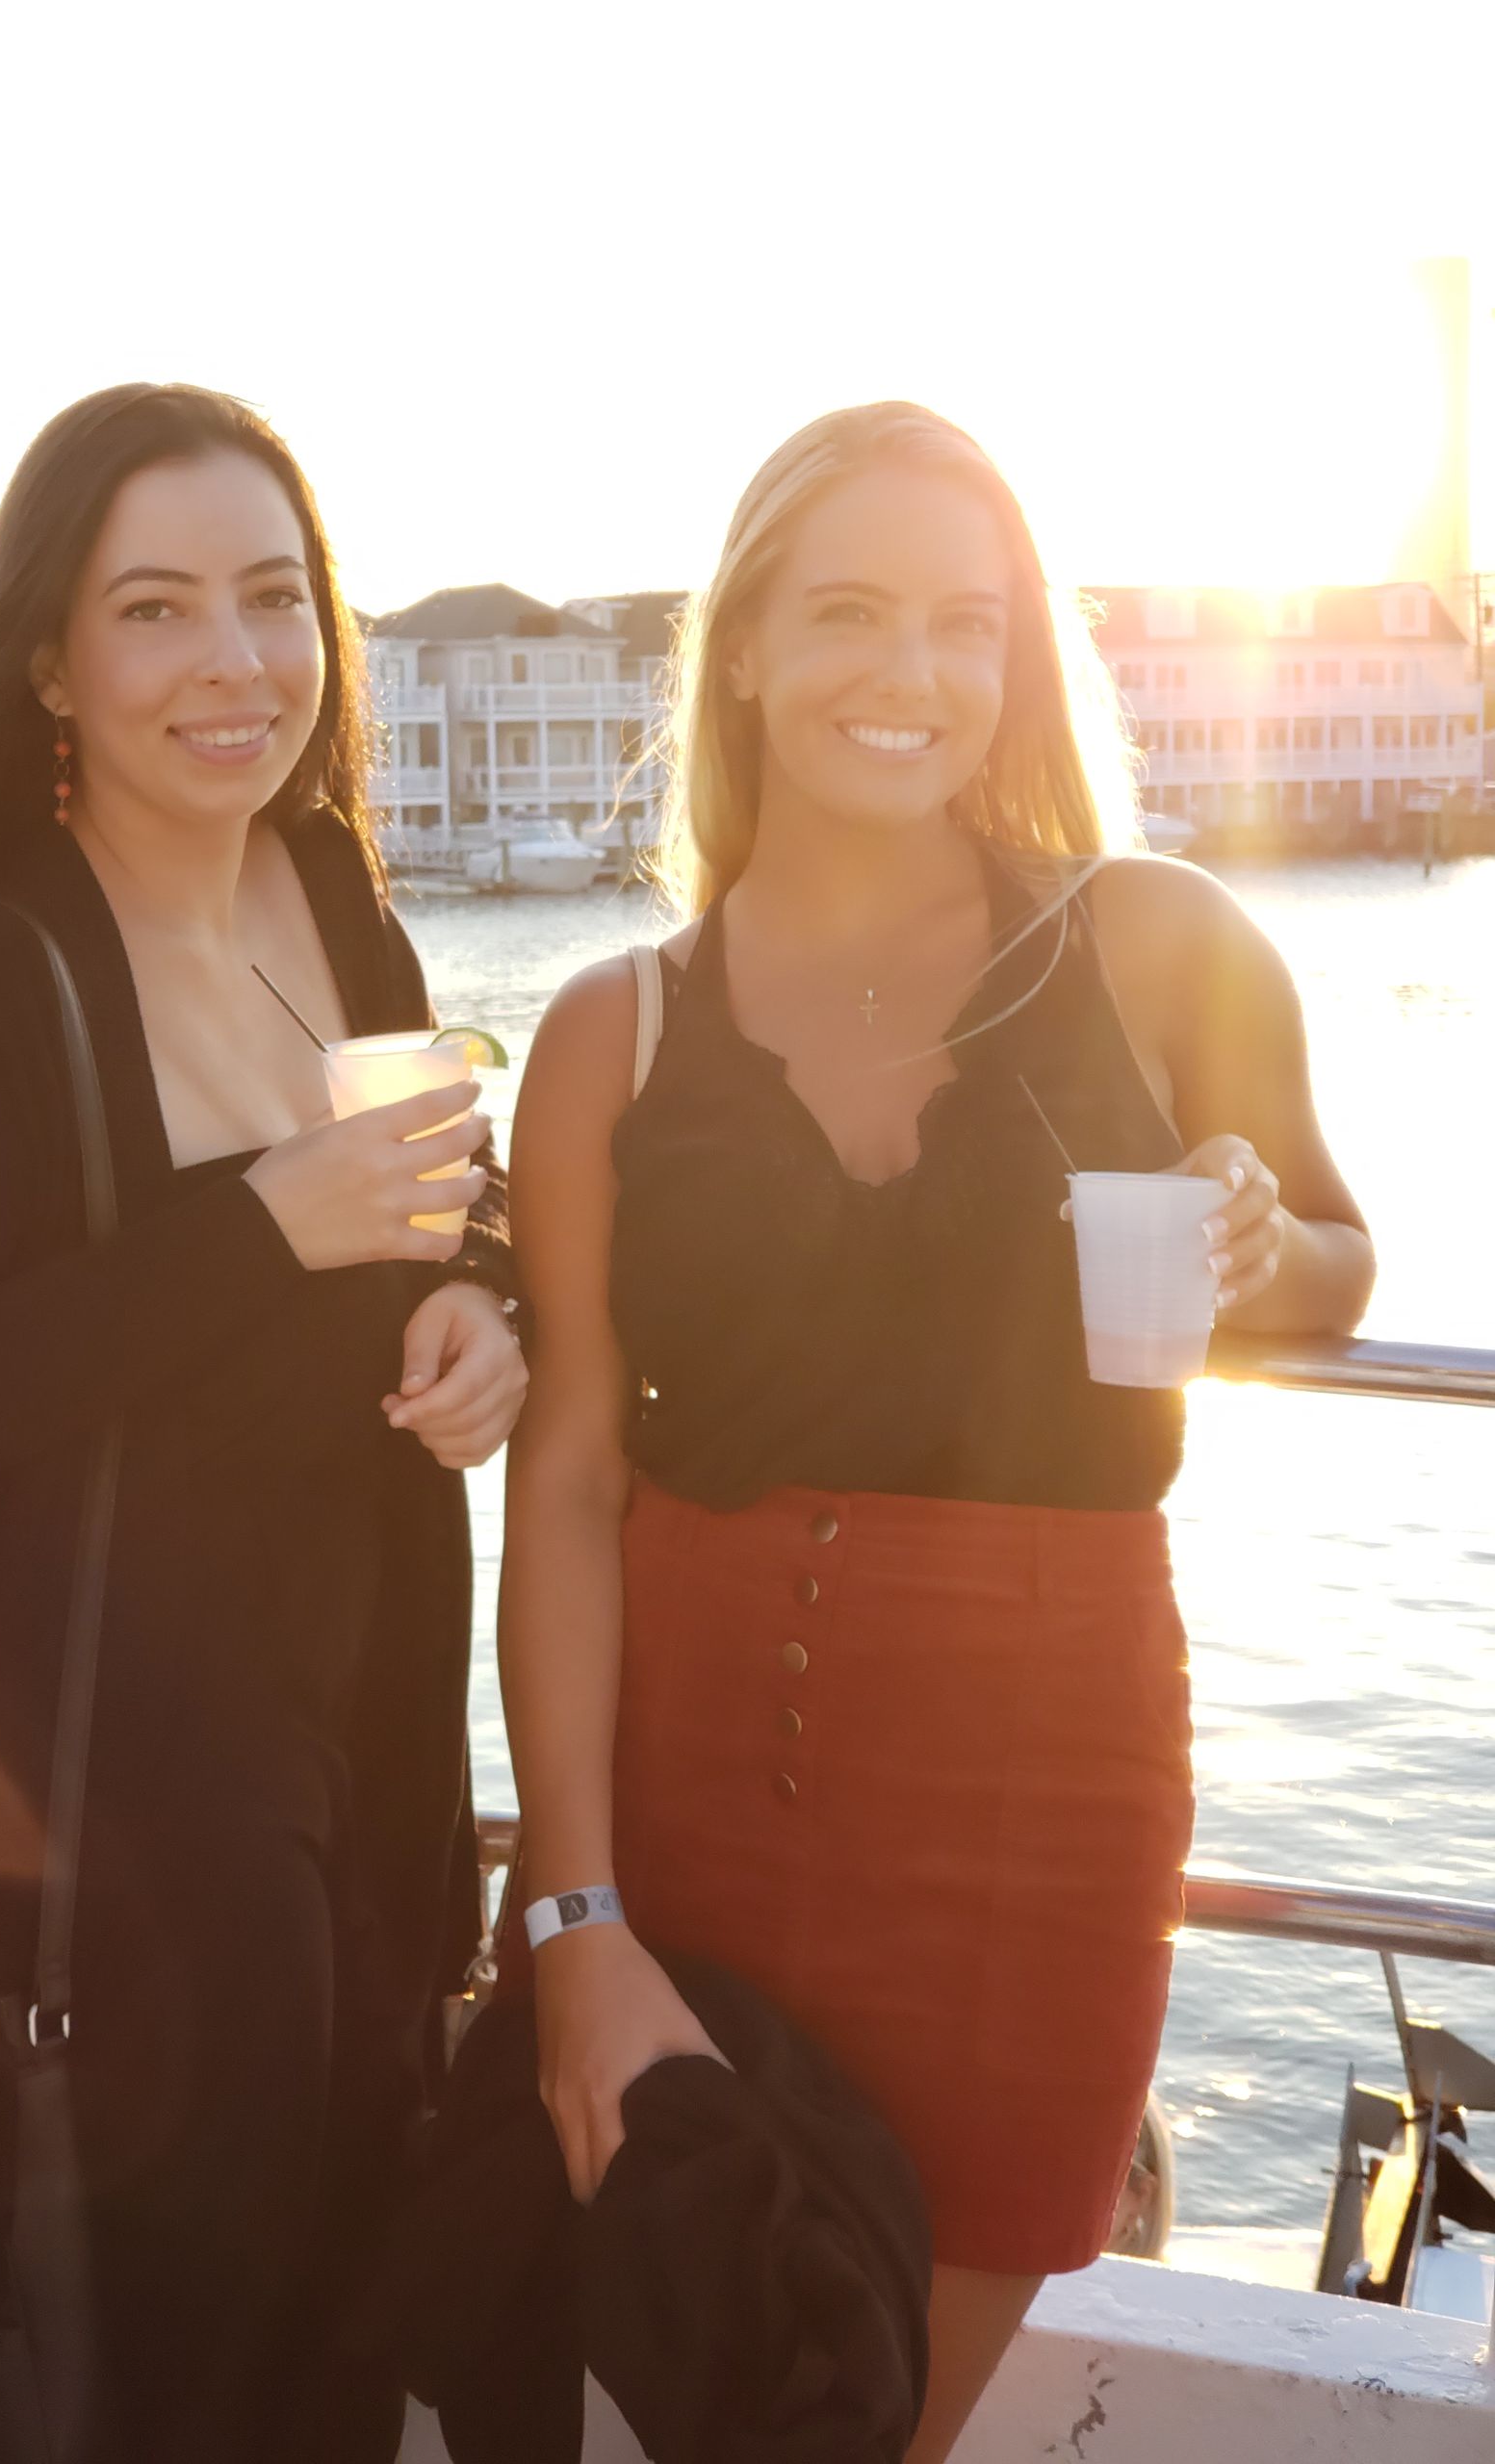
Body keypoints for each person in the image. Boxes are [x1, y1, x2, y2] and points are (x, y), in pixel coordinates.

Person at [498, 401, 1373, 2462]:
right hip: (692, 1811)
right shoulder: (609, 1027)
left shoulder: (1154, 941)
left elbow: (1338, 1251)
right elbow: (567, 1482)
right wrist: (575, 1916)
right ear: (745, 647)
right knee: (715, 2375)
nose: (914, 674)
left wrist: (1253, 1242)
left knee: (867, 2422)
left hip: (1041, 1823)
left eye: (967, 625)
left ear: (1018, 664)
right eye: (854, 613)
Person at [0, 382, 527, 2460]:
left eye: (275, 602)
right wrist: (254, 1234)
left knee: (320, 2399)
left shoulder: (334, 895)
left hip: (354, 1813)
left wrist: (484, 1306)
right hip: (96, 1873)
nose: (236, 664)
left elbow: (456, 1202)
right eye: (161, 608)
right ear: (53, 664)